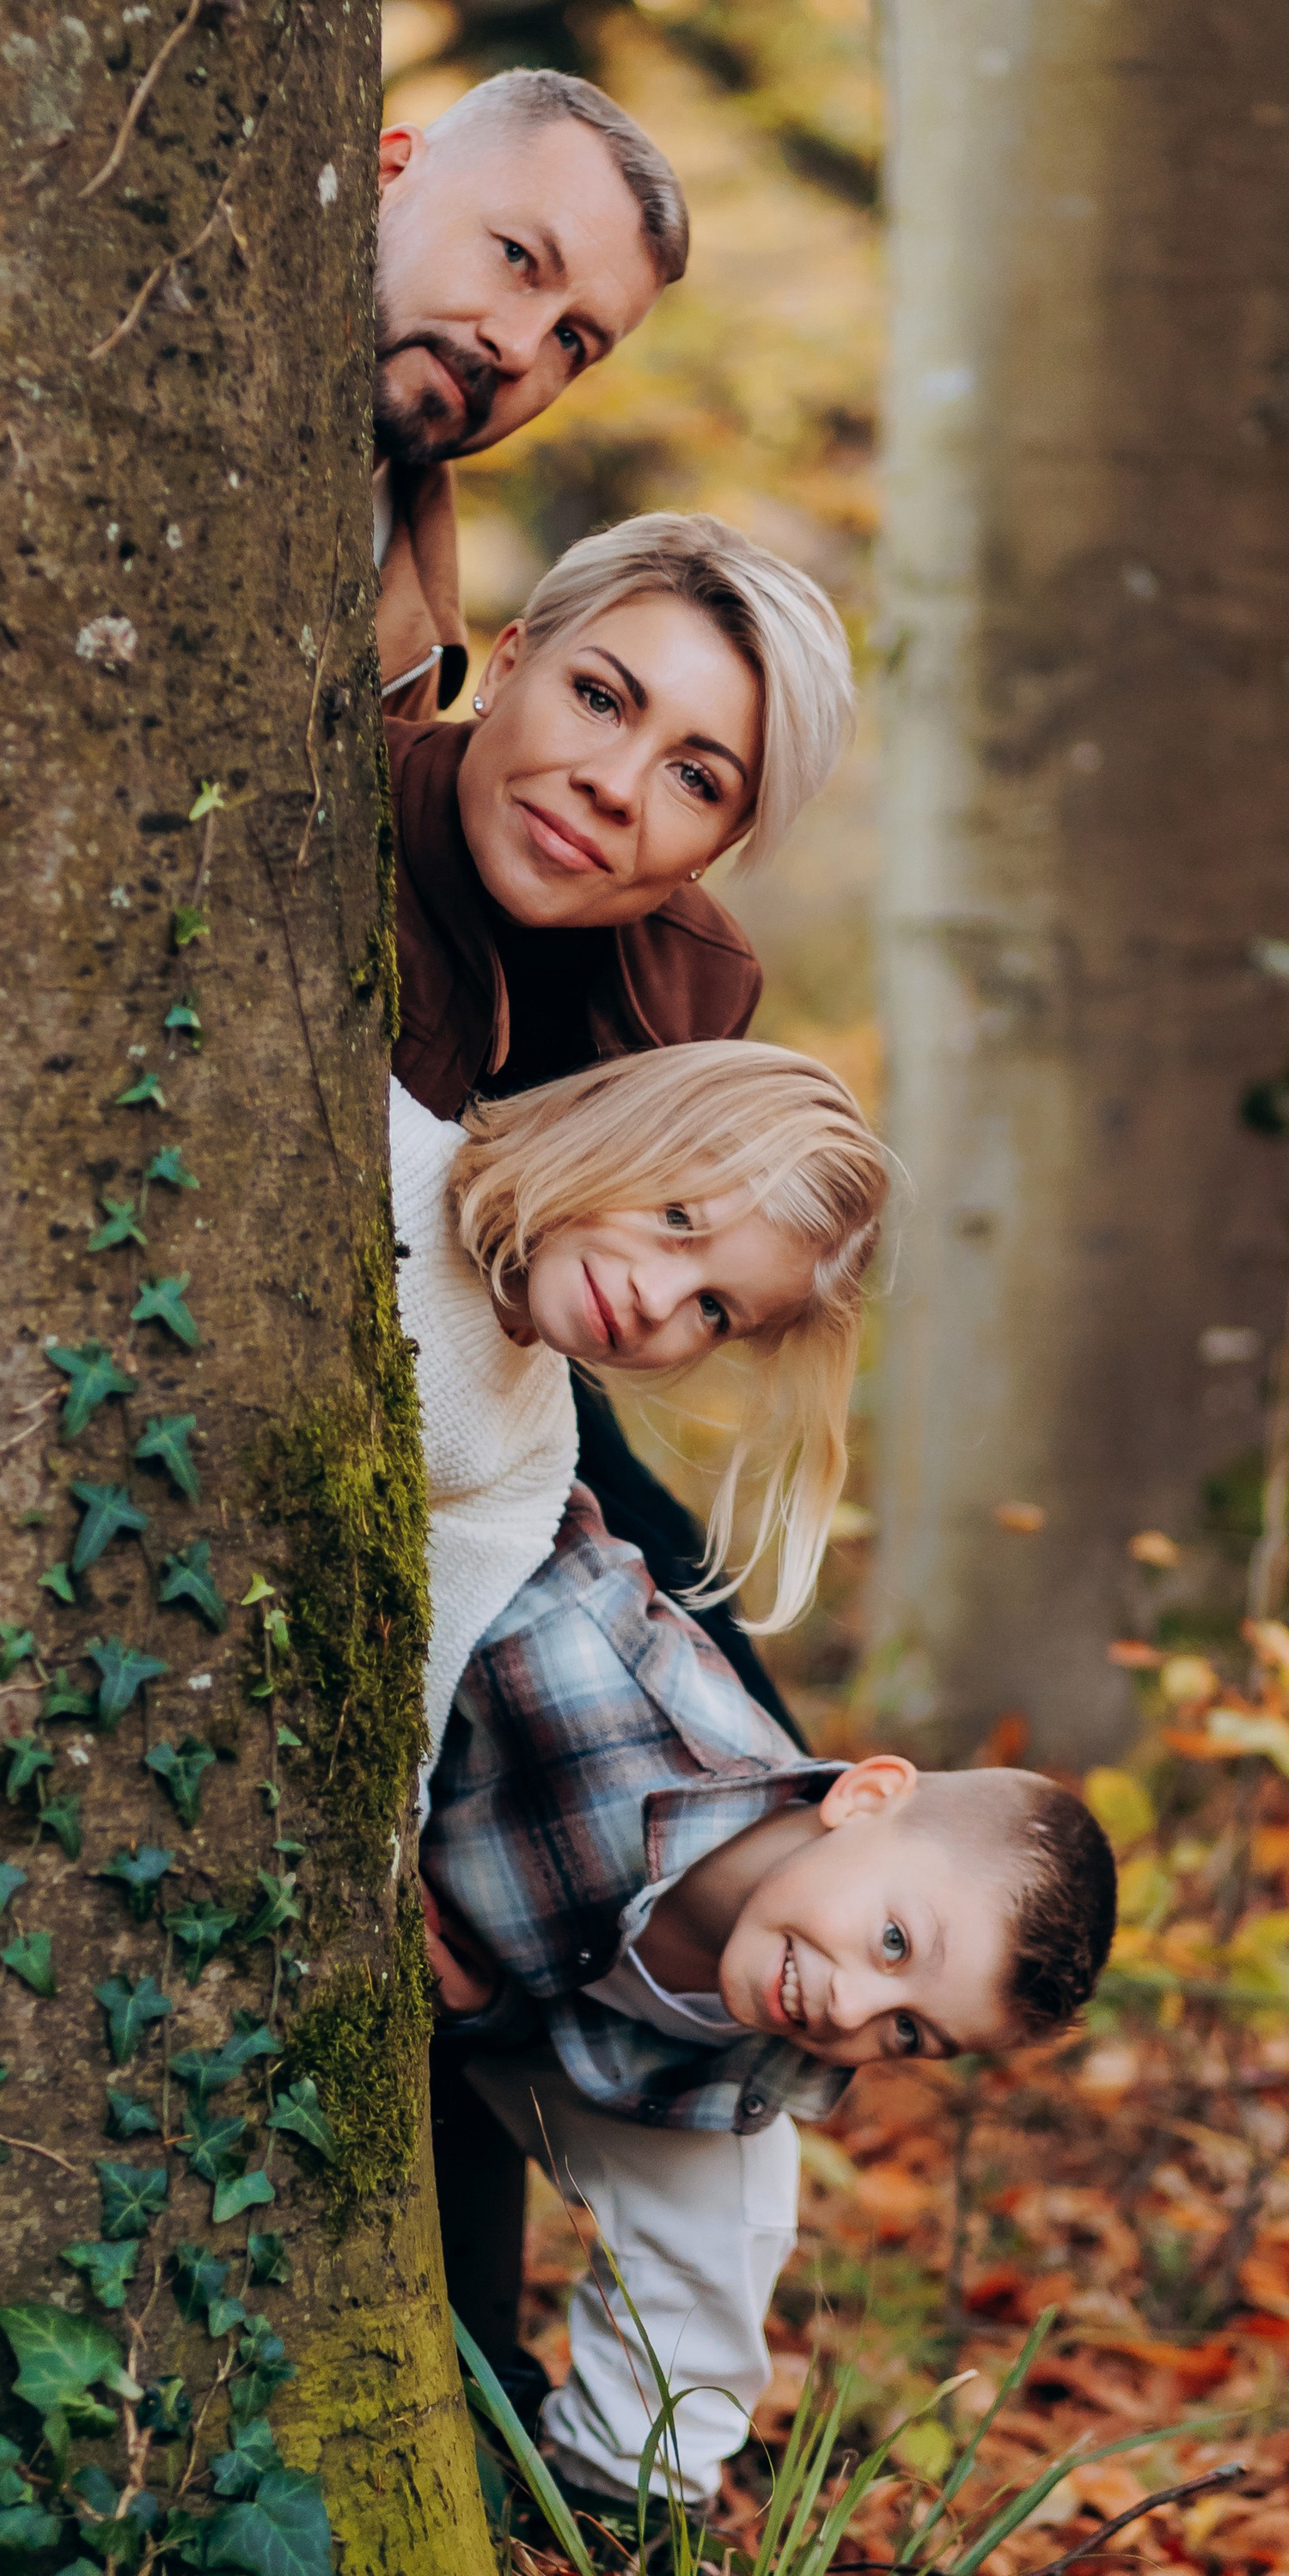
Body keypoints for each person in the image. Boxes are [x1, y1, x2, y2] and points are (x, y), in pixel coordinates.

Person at [420, 1500, 1119, 2512]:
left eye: (909, 2031)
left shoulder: (755, 2080)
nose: (849, 2011)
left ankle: (593, 2503)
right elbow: (495, 1511)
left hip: (592, 2041)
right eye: (894, 1941)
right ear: (864, 1798)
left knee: (717, 2261)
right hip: (446, 1853)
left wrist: (488, 2008)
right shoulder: (595, 1673)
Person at [388, 506, 857, 1732]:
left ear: (725, 841)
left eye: (696, 778)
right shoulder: (335, 825)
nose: (611, 786)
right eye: (600, 697)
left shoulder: (694, 985)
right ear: (508, 663)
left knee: (672, 1593)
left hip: (516, 1362)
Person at [392, 1041, 891, 1771]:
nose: (656, 1300)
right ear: (620, 1124)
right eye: (678, 1218)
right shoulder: (381, 1152)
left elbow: (409, 1711)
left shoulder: (534, 1450)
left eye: (713, 1309)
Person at [372, 70, 691, 721]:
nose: (517, 349)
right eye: (518, 256)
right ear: (390, 172)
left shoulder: (421, 646)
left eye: (571, 340)